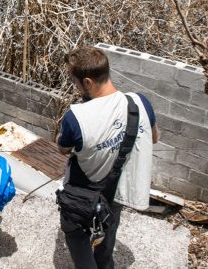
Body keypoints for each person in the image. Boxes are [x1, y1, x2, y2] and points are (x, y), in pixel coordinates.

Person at [56, 46, 158, 269]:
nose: (75, 86)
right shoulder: (140, 103)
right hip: (117, 187)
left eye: (75, 82)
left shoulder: (77, 117)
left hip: (84, 191)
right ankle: (105, 264)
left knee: (74, 231)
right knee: (109, 224)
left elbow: (63, 149)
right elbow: (154, 137)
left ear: (88, 83)